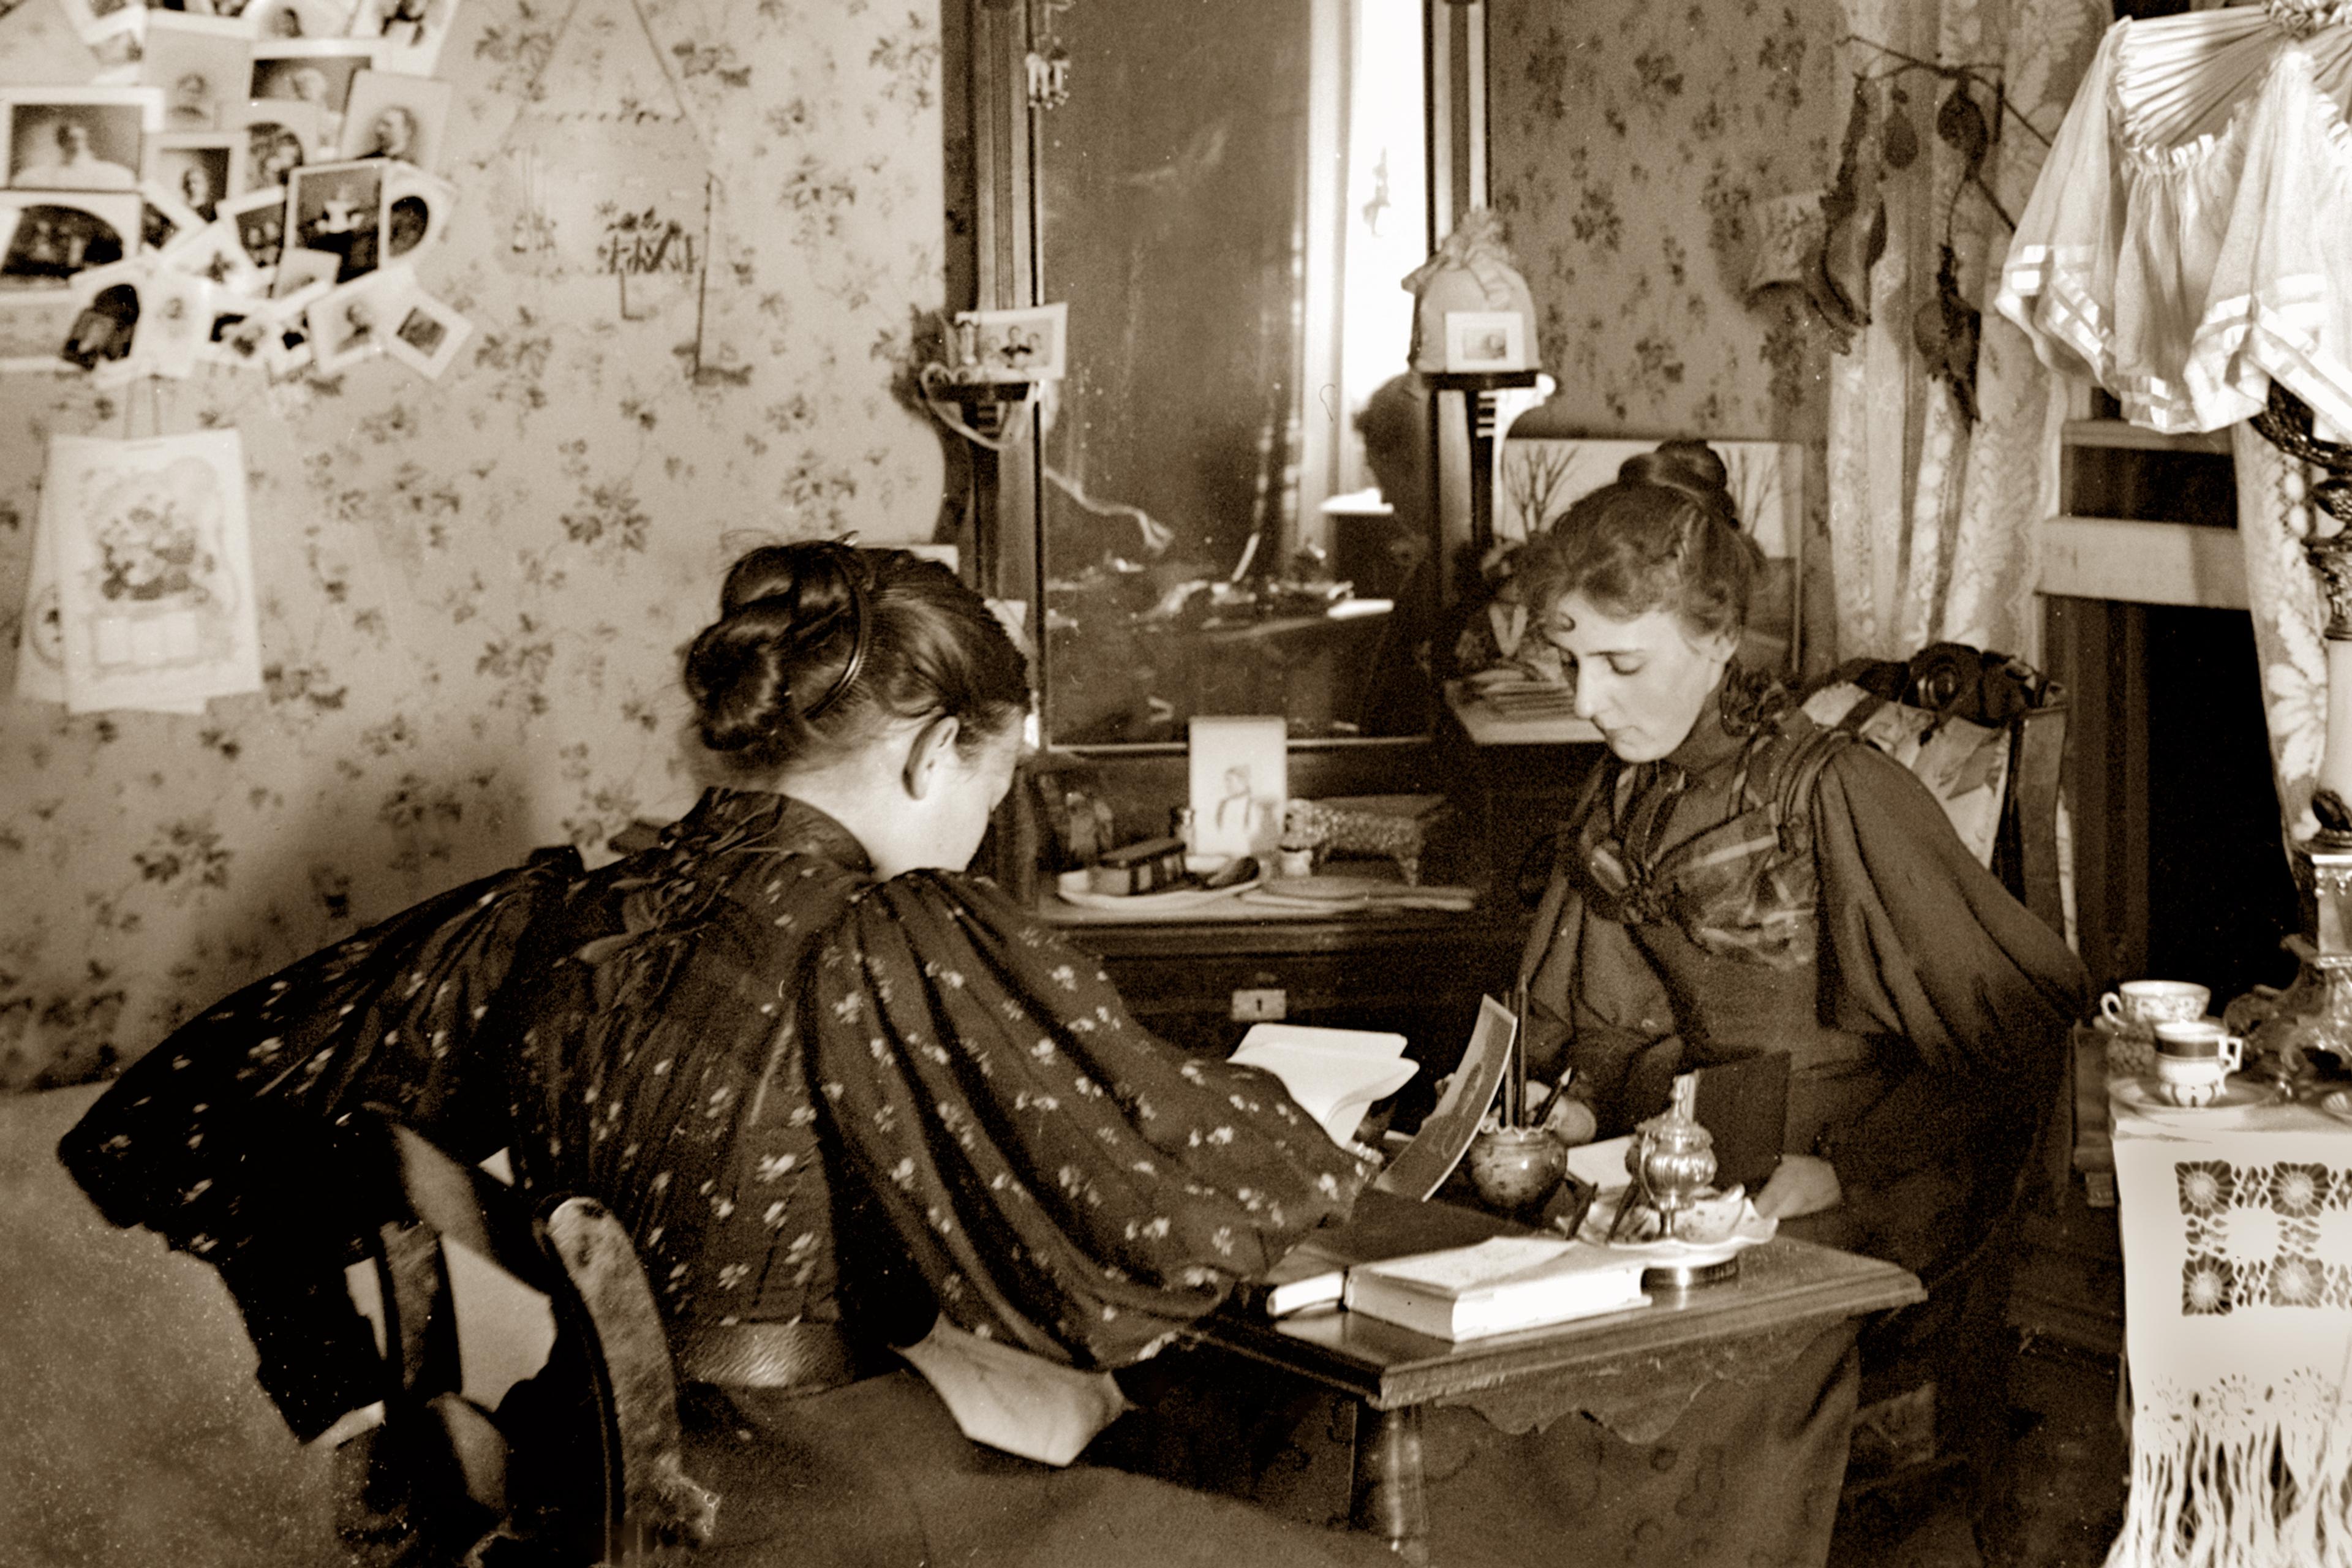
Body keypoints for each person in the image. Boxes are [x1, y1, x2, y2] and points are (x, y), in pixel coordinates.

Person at [58, 541, 1389, 1568]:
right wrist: (1308, 1139)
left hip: (577, 1469)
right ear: (936, 752)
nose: (993, 818)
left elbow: (188, 1112)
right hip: (811, 1508)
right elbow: (1162, 1209)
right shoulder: (883, 927)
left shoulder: (559, 910)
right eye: (998, 781)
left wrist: (350, 1404)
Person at [1508, 439, 2089, 1555]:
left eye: (1622, 666)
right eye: (1570, 664)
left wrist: (1847, 1167)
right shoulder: (1629, 785)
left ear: (1719, 642)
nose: (1587, 701)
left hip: (1856, 1175)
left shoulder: (1840, 793)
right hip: (1682, 1164)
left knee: (1678, 1387)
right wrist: (1570, 1102)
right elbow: (1588, 1011)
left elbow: (2022, 1030)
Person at [12, 120, 138, 190]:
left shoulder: (112, 174)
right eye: (71, 140)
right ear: (61, 143)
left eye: (81, 140)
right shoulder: (37, 176)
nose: (76, 145)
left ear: (87, 142)